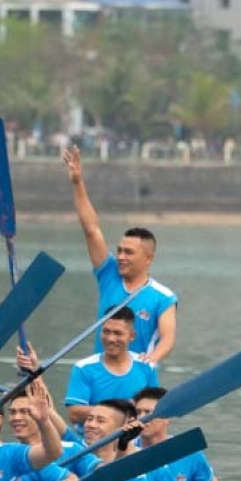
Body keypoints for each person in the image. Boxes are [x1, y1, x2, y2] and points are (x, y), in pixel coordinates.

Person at [63, 145, 178, 365]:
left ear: (148, 259)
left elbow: (168, 339)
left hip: (137, 378)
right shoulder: (109, 274)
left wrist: (152, 359)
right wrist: (77, 182)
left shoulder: (163, 297)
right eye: (120, 251)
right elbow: (91, 229)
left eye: (129, 252)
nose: (121, 257)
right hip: (102, 372)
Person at [65, 306, 160, 425]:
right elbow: (74, 414)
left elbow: (155, 410)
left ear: (132, 336)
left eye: (118, 333)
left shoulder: (146, 366)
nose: (111, 339)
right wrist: (124, 410)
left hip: (134, 439)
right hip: (94, 440)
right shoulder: (83, 368)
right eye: (106, 331)